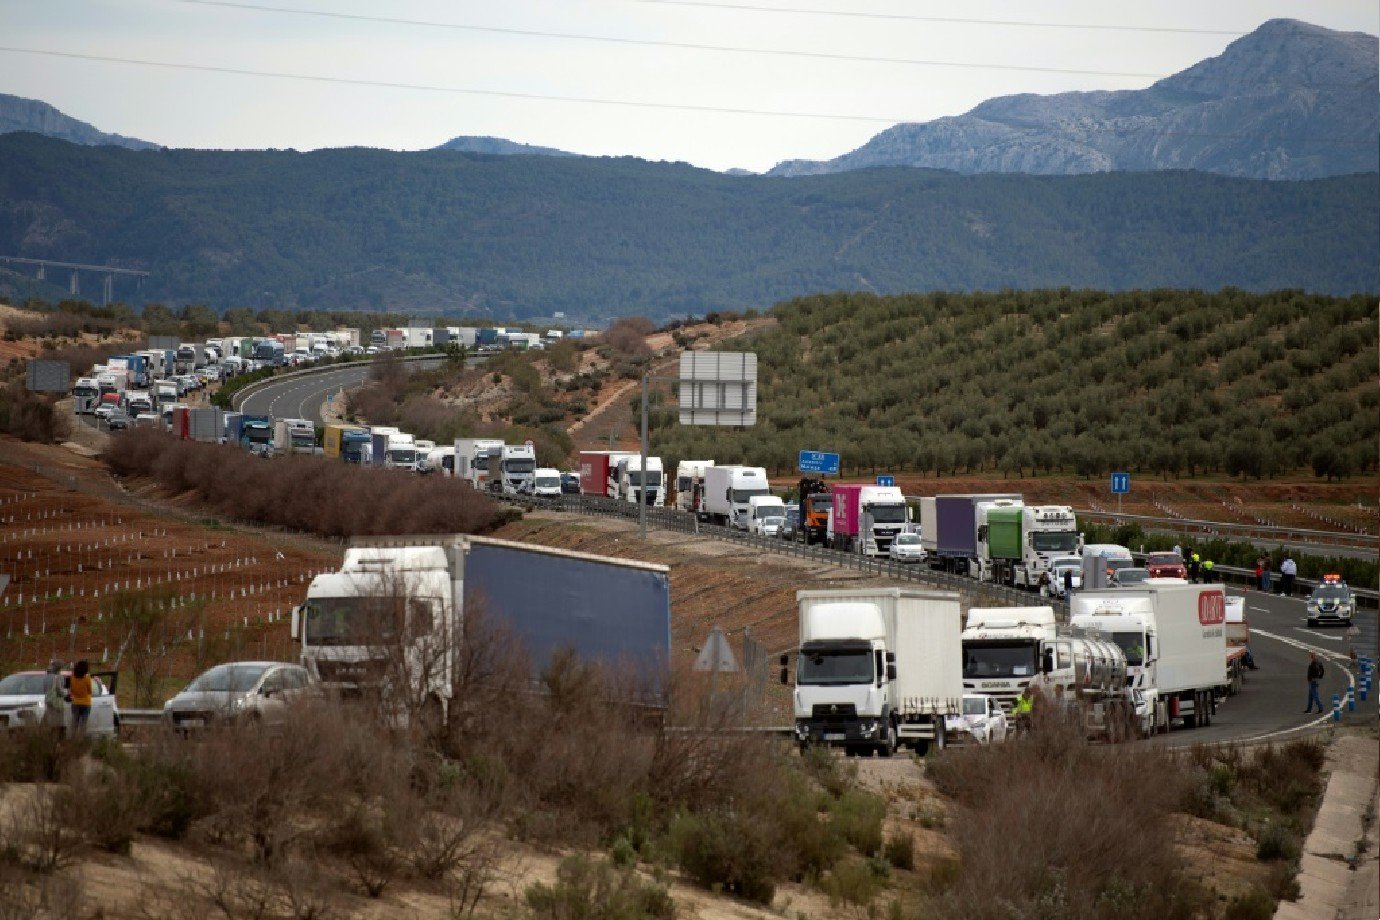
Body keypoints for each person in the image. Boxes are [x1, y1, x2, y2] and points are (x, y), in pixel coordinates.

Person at [67, 659, 93, 737]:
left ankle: (73, 738)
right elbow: (90, 690)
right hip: (86, 702)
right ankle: (81, 740)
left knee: (74, 723)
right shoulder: (87, 678)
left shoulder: (72, 677)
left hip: (75, 702)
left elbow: (71, 689)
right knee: (83, 724)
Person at [41, 660, 66, 732]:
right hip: (57, 702)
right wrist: (66, 695)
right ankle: (58, 738)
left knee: (50, 720)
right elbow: (59, 690)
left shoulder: (46, 677)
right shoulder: (59, 677)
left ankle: (50, 736)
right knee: (59, 721)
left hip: (48, 700)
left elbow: (45, 689)